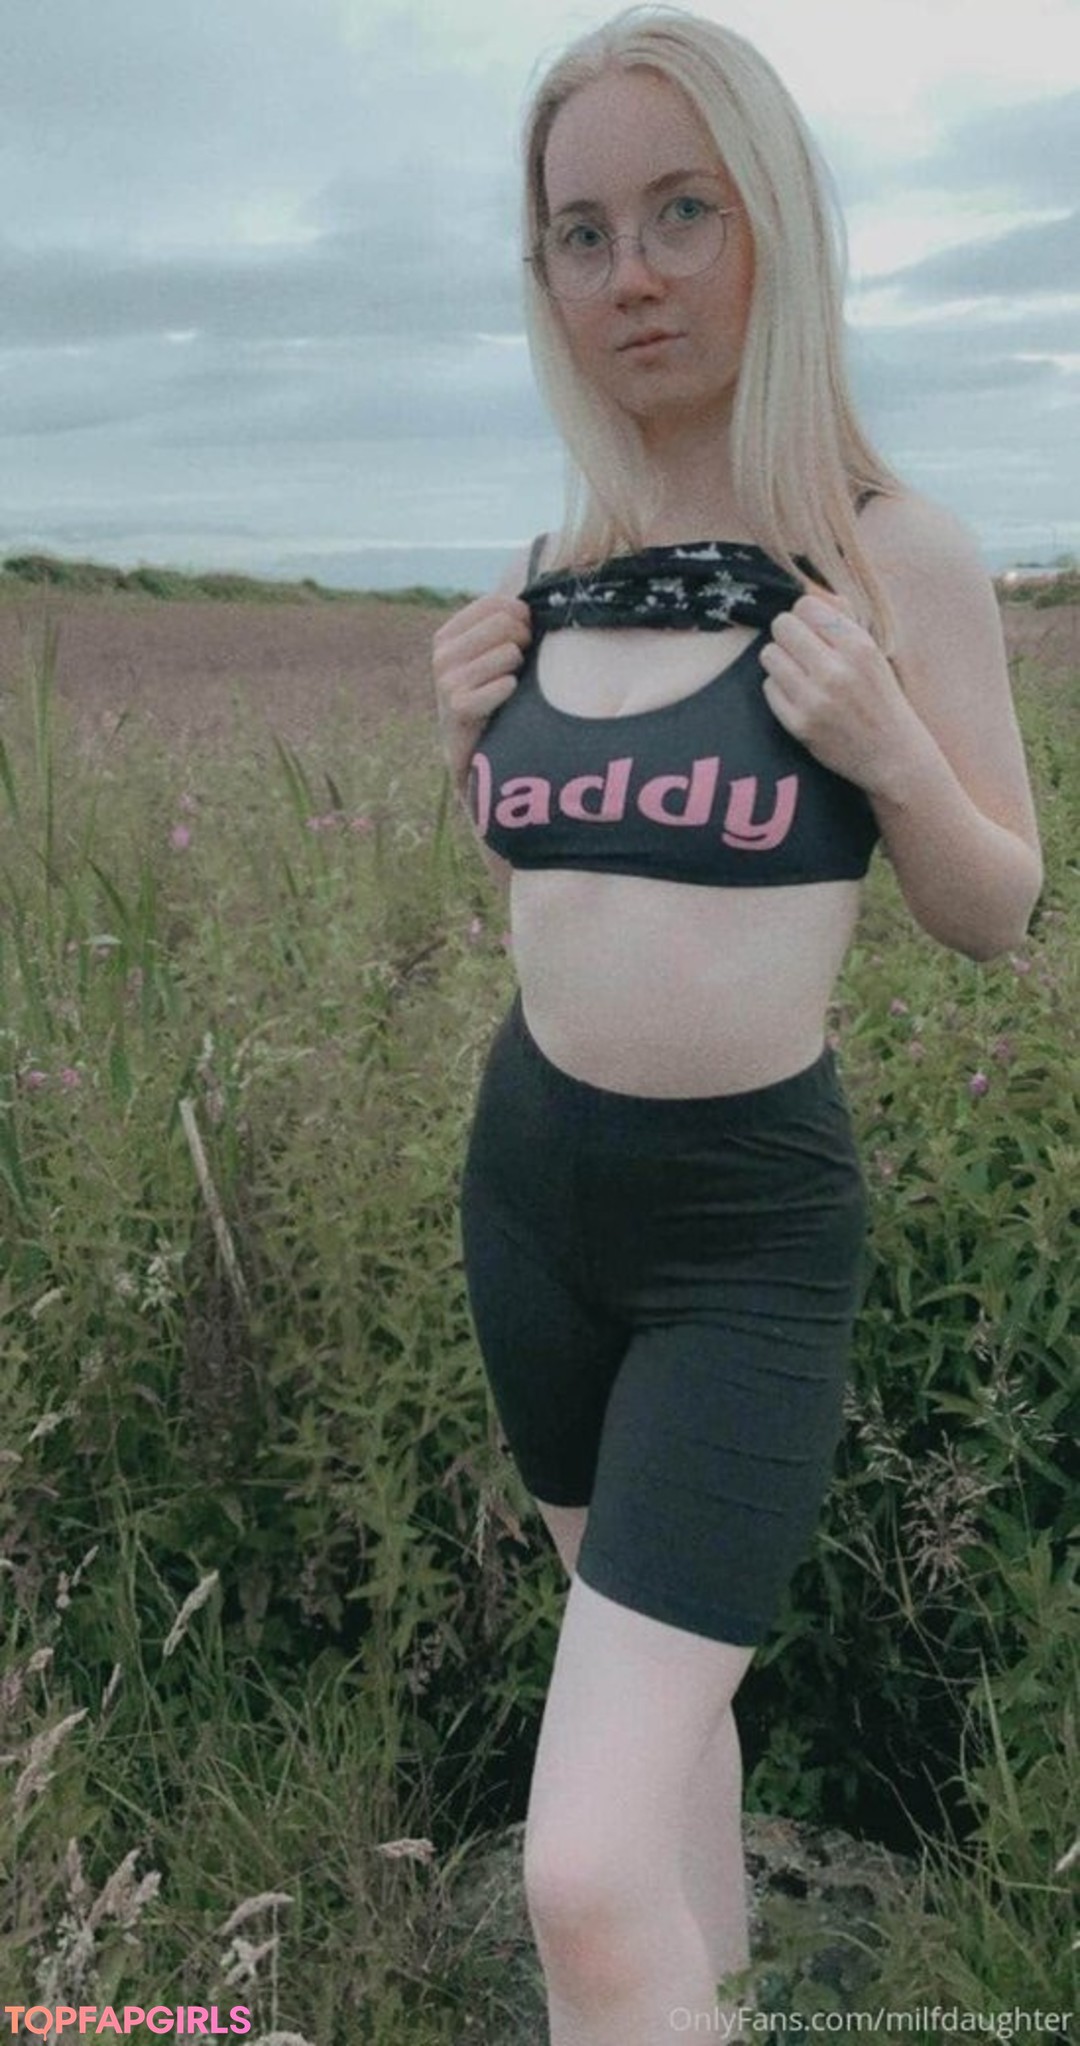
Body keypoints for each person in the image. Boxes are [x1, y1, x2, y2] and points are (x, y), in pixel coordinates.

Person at [431, 8, 1044, 2041]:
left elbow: (997, 911)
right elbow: (551, 885)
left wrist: (891, 745)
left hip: (740, 1240)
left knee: (581, 1874)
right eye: (584, 233)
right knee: (667, 1733)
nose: (634, 274)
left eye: (683, 211)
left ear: (773, 223)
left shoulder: (889, 553)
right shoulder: (553, 572)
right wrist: (463, 748)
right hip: (531, 1201)